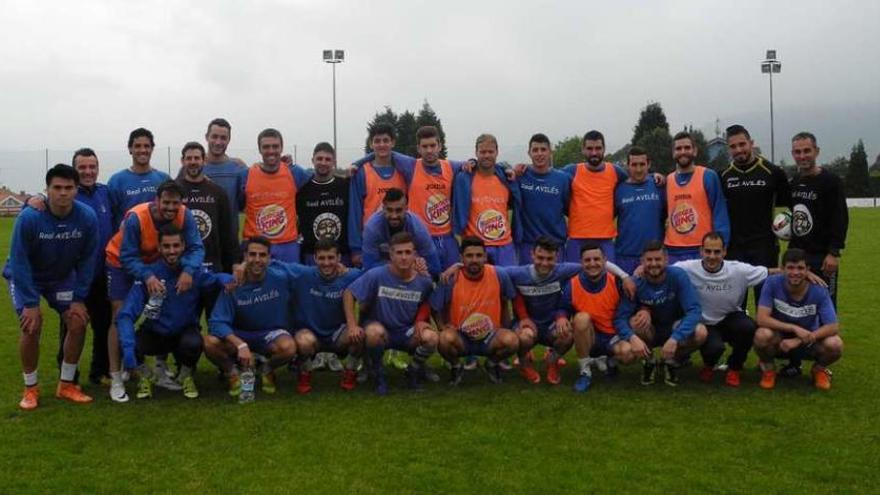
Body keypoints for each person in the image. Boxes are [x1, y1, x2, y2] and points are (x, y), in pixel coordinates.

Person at [5, 164, 98, 409]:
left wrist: (79, 297)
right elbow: (19, 261)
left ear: (77, 190)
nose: (63, 193)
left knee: (78, 321)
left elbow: (88, 260)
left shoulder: (87, 217)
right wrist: (30, 303)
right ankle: (30, 388)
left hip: (60, 277)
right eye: (57, 187)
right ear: (47, 190)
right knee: (31, 326)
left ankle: (66, 385)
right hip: (26, 277)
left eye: (69, 188)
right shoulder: (30, 217)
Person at [105, 180, 205, 402]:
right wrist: (148, 276)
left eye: (175, 203)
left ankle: (159, 368)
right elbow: (128, 256)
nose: (170, 208)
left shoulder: (185, 214)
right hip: (121, 262)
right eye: (166, 203)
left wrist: (188, 269)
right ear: (156, 200)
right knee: (120, 314)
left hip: (156, 260)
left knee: (165, 304)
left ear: (182, 203)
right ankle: (116, 378)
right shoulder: (136, 218)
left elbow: (196, 247)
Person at [116, 225, 232, 400]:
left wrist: (228, 279)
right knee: (125, 340)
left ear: (183, 246)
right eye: (167, 246)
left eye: (176, 246)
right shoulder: (150, 275)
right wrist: (128, 349)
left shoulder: (193, 272)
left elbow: (215, 280)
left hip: (184, 333)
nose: (172, 251)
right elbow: (126, 314)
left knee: (194, 343)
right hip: (155, 333)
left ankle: (185, 376)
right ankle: (146, 376)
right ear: (160, 247)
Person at [351, 126, 471, 269]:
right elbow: (383, 152)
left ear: (440, 146)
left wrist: (474, 162)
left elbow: (473, 164)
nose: (429, 150)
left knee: (452, 278)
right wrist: (356, 164)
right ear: (418, 149)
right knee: (420, 279)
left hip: (447, 237)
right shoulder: (411, 166)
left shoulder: (450, 166)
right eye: (424, 146)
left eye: (433, 145)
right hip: (417, 236)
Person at [783, 132, 849, 378]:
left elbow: (840, 218)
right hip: (798, 258)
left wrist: (834, 252)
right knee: (795, 309)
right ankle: (794, 362)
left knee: (824, 310)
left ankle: (821, 365)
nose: (802, 156)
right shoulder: (794, 183)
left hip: (823, 258)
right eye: (797, 152)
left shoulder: (831, 182)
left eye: (806, 151)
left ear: (816, 151)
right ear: (793, 154)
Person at [672, 232, 773, 387]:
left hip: (729, 319)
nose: (712, 256)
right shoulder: (687, 268)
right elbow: (661, 271)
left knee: (748, 327)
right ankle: (709, 365)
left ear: (724, 251)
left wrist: (801, 273)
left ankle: (734, 368)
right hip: (704, 324)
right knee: (714, 348)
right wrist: (640, 271)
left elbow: (769, 272)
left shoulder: (738, 270)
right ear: (701, 251)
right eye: (708, 251)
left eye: (717, 252)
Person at [205, 237, 298, 397]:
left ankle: (266, 368)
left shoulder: (281, 276)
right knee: (209, 342)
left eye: (262, 255)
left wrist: (343, 270)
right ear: (245, 257)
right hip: (239, 334)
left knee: (288, 347)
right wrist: (240, 345)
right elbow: (217, 322)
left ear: (269, 258)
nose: (257, 260)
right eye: (252, 255)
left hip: (269, 333)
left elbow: (310, 273)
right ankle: (232, 372)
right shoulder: (233, 283)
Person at [344, 232, 436, 394]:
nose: (404, 257)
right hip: (380, 328)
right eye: (399, 253)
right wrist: (352, 325)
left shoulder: (424, 281)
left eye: (408, 252)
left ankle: (413, 371)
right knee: (373, 332)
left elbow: (428, 302)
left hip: (405, 331)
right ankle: (378, 373)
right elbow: (349, 293)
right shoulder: (377, 274)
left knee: (432, 337)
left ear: (415, 255)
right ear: (391, 255)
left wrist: (421, 320)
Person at [614, 241, 707, 386]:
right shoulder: (635, 283)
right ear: (642, 261)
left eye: (658, 259)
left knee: (701, 332)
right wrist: (632, 338)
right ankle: (649, 361)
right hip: (650, 331)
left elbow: (694, 310)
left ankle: (671, 361)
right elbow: (620, 318)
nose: (653, 264)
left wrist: (676, 338)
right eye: (649, 260)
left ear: (666, 260)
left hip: (674, 328)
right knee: (635, 323)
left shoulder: (678, 276)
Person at [431, 237, 519, 385]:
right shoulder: (451, 277)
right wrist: (441, 326)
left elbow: (508, 300)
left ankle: (491, 364)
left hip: (490, 337)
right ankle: (456, 366)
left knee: (512, 341)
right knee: (444, 339)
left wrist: (506, 327)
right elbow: (434, 306)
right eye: (469, 256)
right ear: (461, 258)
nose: (474, 260)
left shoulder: (499, 274)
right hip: (461, 337)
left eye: (479, 255)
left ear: (485, 256)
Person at [558, 243, 644, 392]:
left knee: (628, 354)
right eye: (587, 260)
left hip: (614, 337)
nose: (592, 264)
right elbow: (563, 308)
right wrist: (561, 317)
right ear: (581, 262)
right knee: (581, 319)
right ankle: (585, 371)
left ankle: (610, 362)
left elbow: (635, 302)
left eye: (596, 259)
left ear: (605, 260)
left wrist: (644, 309)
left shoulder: (618, 282)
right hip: (591, 338)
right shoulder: (572, 284)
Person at [753, 248, 843, 391]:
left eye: (800, 268)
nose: (795, 272)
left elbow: (832, 326)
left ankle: (818, 370)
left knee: (835, 344)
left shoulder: (819, 290)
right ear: (782, 269)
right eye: (790, 268)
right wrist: (793, 328)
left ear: (808, 269)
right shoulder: (771, 283)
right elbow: (761, 319)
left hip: (807, 341)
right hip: (779, 340)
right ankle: (769, 369)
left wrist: (800, 339)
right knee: (762, 335)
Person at [720, 124, 791, 304]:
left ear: (751, 143)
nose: (738, 150)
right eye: (733, 146)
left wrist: (787, 228)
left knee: (766, 301)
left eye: (742, 144)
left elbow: (790, 205)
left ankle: (766, 332)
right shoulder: (723, 176)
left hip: (764, 246)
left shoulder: (773, 172)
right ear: (728, 148)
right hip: (734, 248)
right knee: (735, 304)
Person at [287, 239, 364, 393]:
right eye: (322, 258)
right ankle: (304, 371)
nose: (326, 263)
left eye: (331, 258)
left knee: (359, 335)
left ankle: (350, 370)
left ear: (339, 258)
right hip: (311, 335)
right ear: (315, 259)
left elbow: (376, 273)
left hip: (337, 334)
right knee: (302, 341)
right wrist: (241, 267)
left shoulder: (351, 276)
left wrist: (415, 266)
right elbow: (274, 265)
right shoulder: (303, 274)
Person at [176, 142, 240, 318]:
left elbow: (228, 232)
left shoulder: (217, 192)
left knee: (216, 323)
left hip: (214, 268)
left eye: (197, 158)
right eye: (189, 158)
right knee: (186, 327)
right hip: (184, 269)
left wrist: (234, 262)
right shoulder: (174, 191)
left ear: (204, 160)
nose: (193, 162)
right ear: (182, 161)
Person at [240, 128, 311, 263]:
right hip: (256, 246)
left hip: (288, 246)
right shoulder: (246, 175)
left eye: (275, 146)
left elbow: (322, 179)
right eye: (266, 147)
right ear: (259, 149)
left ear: (282, 148)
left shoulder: (295, 173)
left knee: (289, 284)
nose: (271, 151)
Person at [452, 134, 522, 266]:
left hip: (504, 245)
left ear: (497, 152)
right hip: (476, 247)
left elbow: (516, 204)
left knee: (507, 284)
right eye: (482, 152)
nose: (486, 155)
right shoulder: (464, 178)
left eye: (490, 152)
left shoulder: (506, 177)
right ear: (476, 152)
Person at [664, 131, 730, 263]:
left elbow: (719, 213)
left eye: (687, 148)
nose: (683, 151)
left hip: (702, 249)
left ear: (695, 151)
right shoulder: (668, 180)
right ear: (673, 153)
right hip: (673, 250)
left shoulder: (708, 176)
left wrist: (721, 245)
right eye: (678, 148)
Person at [563, 130, 628, 263]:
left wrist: (654, 177)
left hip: (605, 239)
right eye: (590, 148)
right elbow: (550, 177)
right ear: (583, 150)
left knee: (609, 279)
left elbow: (636, 179)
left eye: (598, 148)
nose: (594, 153)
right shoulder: (572, 171)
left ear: (604, 149)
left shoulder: (615, 171)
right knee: (574, 279)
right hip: (577, 239)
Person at [348, 123, 407, 266]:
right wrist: (356, 249)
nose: (381, 145)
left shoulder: (404, 170)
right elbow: (355, 212)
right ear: (371, 143)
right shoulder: (362, 172)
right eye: (377, 141)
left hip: (400, 243)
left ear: (393, 142)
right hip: (371, 242)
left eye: (385, 140)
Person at [515, 133, 571, 263]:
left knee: (557, 283)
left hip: (555, 244)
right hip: (528, 245)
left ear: (550, 152)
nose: (539, 154)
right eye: (535, 150)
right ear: (529, 153)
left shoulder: (562, 179)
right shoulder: (520, 176)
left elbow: (569, 209)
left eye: (543, 149)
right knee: (527, 283)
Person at [362, 188, 441, 277]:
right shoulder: (372, 228)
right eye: (389, 210)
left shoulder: (418, 229)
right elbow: (368, 268)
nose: (394, 215)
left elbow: (435, 268)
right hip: (383, 277)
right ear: (383, 209)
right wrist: (403, 266)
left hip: (410, 276)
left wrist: (420, 265)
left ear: (406, 209)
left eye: (398, 210)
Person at [614, 146, 666, 275]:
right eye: (634, 165)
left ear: (649, 164)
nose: (638, 169)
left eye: (642, 164)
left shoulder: (659, 185)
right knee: (627, 294)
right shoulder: (618, 189)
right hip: (625, 257)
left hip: (654, 257)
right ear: (627, 165)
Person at [297, 142, 352, 265]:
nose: (323, 162)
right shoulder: (302, 190)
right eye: (319, 159)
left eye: (328, 159)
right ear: (313, 160)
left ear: (334, 162)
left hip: (341, 254)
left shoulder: (345, 186)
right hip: (312, 254)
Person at [107, 127, 171, 227]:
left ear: (152, 149)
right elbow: (110, 217)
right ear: (130, 149)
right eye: (137, 146)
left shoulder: (164, 179)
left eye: (146, 146)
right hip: (128, 240)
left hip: (158, 240)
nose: (142, 150)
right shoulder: (116, 181)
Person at [202, 118, 248, 235]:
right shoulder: (194, 168)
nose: (218, 142)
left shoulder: (239, 169)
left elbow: (244, 204)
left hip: (229, 242)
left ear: (229, 140)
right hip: (201, 242)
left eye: (223, 138)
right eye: (214, 136)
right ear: (207, 137)